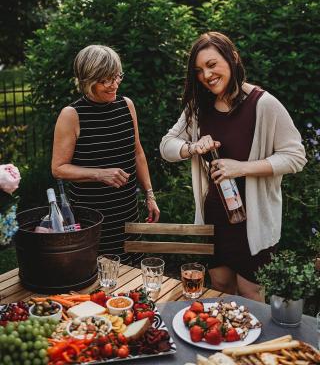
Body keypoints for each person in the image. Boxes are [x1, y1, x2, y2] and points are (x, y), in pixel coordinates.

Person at [160, 31, 306, 301]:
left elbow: (295, 156)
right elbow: (167, 145)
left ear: (233, 58)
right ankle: (223, 344)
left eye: (212, 64)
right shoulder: (199, 106)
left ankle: (251, 344)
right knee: (220, 285)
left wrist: (241, 168)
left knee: (250, 292)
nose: (206, 75)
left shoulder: (264, 104)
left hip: (255, 218)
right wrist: (193, 147)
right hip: (216, 213)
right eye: (199, 70)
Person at [52, 44, 160, 264]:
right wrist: (100, 174)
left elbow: (137, 152)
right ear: (87, 81)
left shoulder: (126, 105)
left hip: (128, 211)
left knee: (132, 274)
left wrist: (150, 194)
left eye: (117, 76)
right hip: (93, 218)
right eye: (105, 80)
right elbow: (58, 168)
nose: (114, 85)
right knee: (98, 277)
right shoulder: (71, 115)